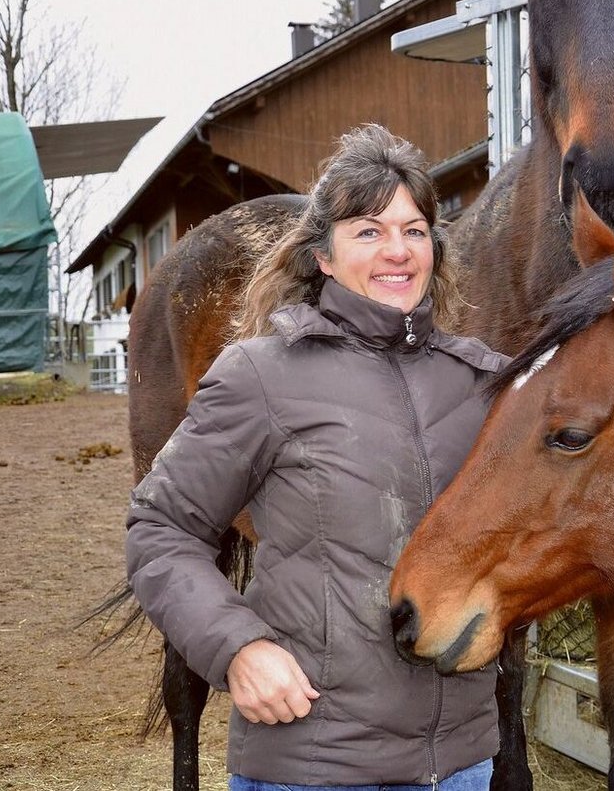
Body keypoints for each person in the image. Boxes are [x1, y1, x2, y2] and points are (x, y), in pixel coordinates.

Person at [125, 124, 508, 790]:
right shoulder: (260, 374)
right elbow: (160, 530)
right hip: (314, 765)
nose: (397, 250)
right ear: (323, 255)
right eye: (368, 231)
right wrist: (237, 646)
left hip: (459, 767)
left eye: (414, 231)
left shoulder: (482, 383)